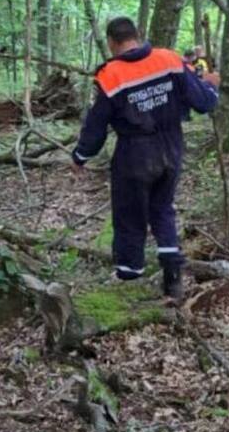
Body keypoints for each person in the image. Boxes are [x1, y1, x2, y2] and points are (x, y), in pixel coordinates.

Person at [72, 17, 220, 301]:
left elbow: (96, 125)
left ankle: (129, 277)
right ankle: (172, 277)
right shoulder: (169, 59)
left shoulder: (110, 74)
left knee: (130, 215)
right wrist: (212, 87)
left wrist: (80, 156)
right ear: (137, 36)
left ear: (112, 42)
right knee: (163, 209)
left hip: (134, 154)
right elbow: (203, 103)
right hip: (171, 147)